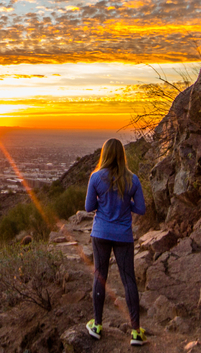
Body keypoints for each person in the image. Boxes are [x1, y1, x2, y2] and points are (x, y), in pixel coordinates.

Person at [84, 137, 147, 346]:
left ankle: (97, 325)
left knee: (100, 276)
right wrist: (125, 202)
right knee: (128, 279)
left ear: (105, 154)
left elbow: (88, 207)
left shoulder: (96, 178)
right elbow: (140, 209)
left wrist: (105, 203)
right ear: (122, 155)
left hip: (101, 233)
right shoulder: (133, 180)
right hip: (123, 235)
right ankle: (136, 332)